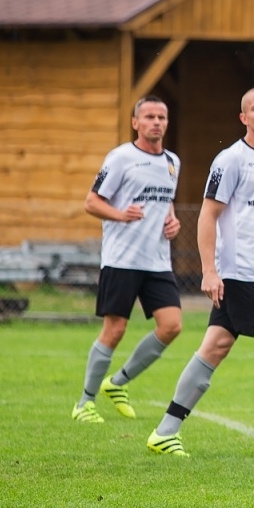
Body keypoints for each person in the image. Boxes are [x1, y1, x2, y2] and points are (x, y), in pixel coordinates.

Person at [145, 87, 254, 458]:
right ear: (243, 118)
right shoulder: (231, 160)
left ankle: (165, 431)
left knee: (215, 347)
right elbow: (207, 215)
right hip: (240, 272)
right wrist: (209, 271)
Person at [73, 96, 183, 424]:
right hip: (122, 260)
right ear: (135, 123)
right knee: (115, 330)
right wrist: (121, 215)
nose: (156, 122)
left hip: (158, 261)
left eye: (161, 117)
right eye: (149, 117)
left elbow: (165, 200)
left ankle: (118, 382)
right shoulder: (121, 157)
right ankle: (85, 403)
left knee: (172, 326)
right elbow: (91, 202)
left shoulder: (173, 162)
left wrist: (172, 221)